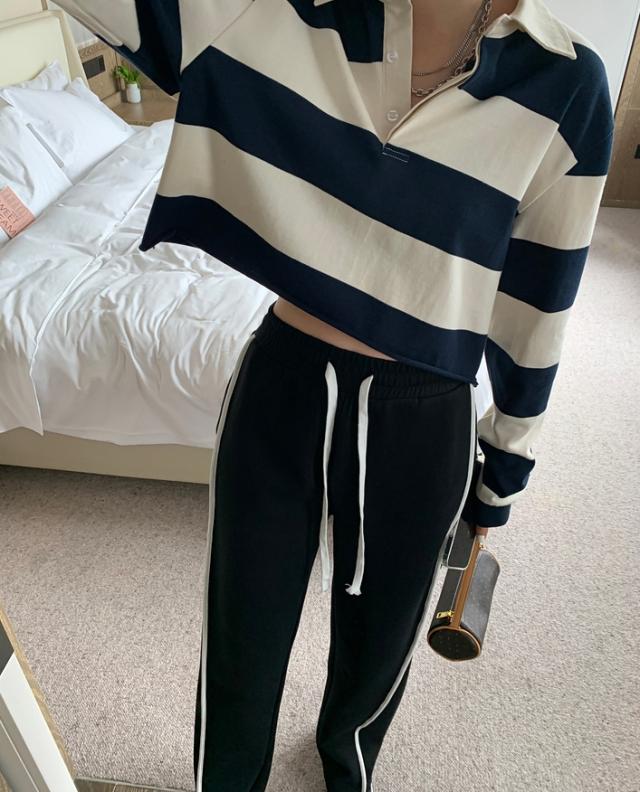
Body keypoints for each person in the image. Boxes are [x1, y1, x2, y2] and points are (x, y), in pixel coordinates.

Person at [54, 1, 615, 790]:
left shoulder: (567, 81)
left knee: (383, 642)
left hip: (428, 410)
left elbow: (540, 303)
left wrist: (504, 470)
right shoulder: (272, 10)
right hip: (282, 381)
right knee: (243, 629)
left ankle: (345, 767)